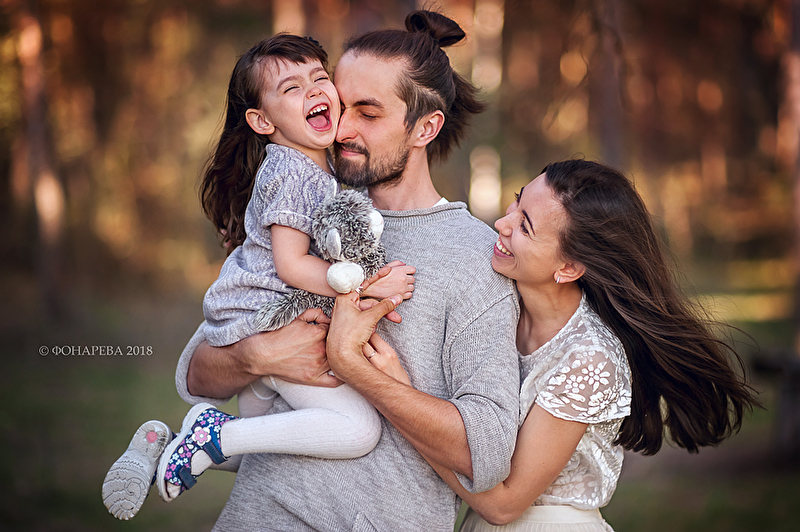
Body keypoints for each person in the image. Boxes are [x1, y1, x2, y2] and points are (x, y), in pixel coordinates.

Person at [175, 10, 521, 532]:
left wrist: (355, 366)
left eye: (369, 113)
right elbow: (198, 374)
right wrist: (258, 355)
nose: (343, 128)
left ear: (425, 127)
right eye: (342, 103)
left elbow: (487, 452)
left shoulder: (475, 259)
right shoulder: (308, 214)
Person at [330, 159, 758, 532]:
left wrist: (393, 392)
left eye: (525, 226)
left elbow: (504, 504)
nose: (502, 224)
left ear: (568, 267)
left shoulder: (589, 359)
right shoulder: (498, 309)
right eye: (517, 203)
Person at [101, 33, 415, 521]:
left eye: (319, 77)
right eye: (291, 88)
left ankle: (172, 443)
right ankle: (210, 435)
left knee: (271, 443)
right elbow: (291, 265)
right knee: (357, 430)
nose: (314, 91)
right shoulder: (293, 172)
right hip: (266, 319)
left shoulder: (316, 167)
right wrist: (369, 287)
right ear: (262, 121)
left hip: (260, 316)